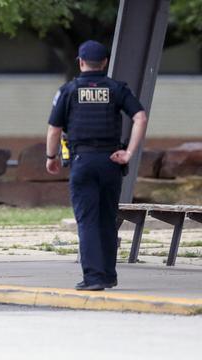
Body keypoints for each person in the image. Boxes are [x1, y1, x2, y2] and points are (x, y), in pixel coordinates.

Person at [45, 40, 147, 291]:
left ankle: (93, 278)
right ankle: (109, 274)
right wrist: (129, 152)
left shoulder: (68, 90)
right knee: (107, 219)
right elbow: (140, 117)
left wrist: (51, 157)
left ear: (80, 62)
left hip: (83, 161)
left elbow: (54, 129)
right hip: (111, 161)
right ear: (105, 62)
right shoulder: (116, 88)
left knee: (88, 220)